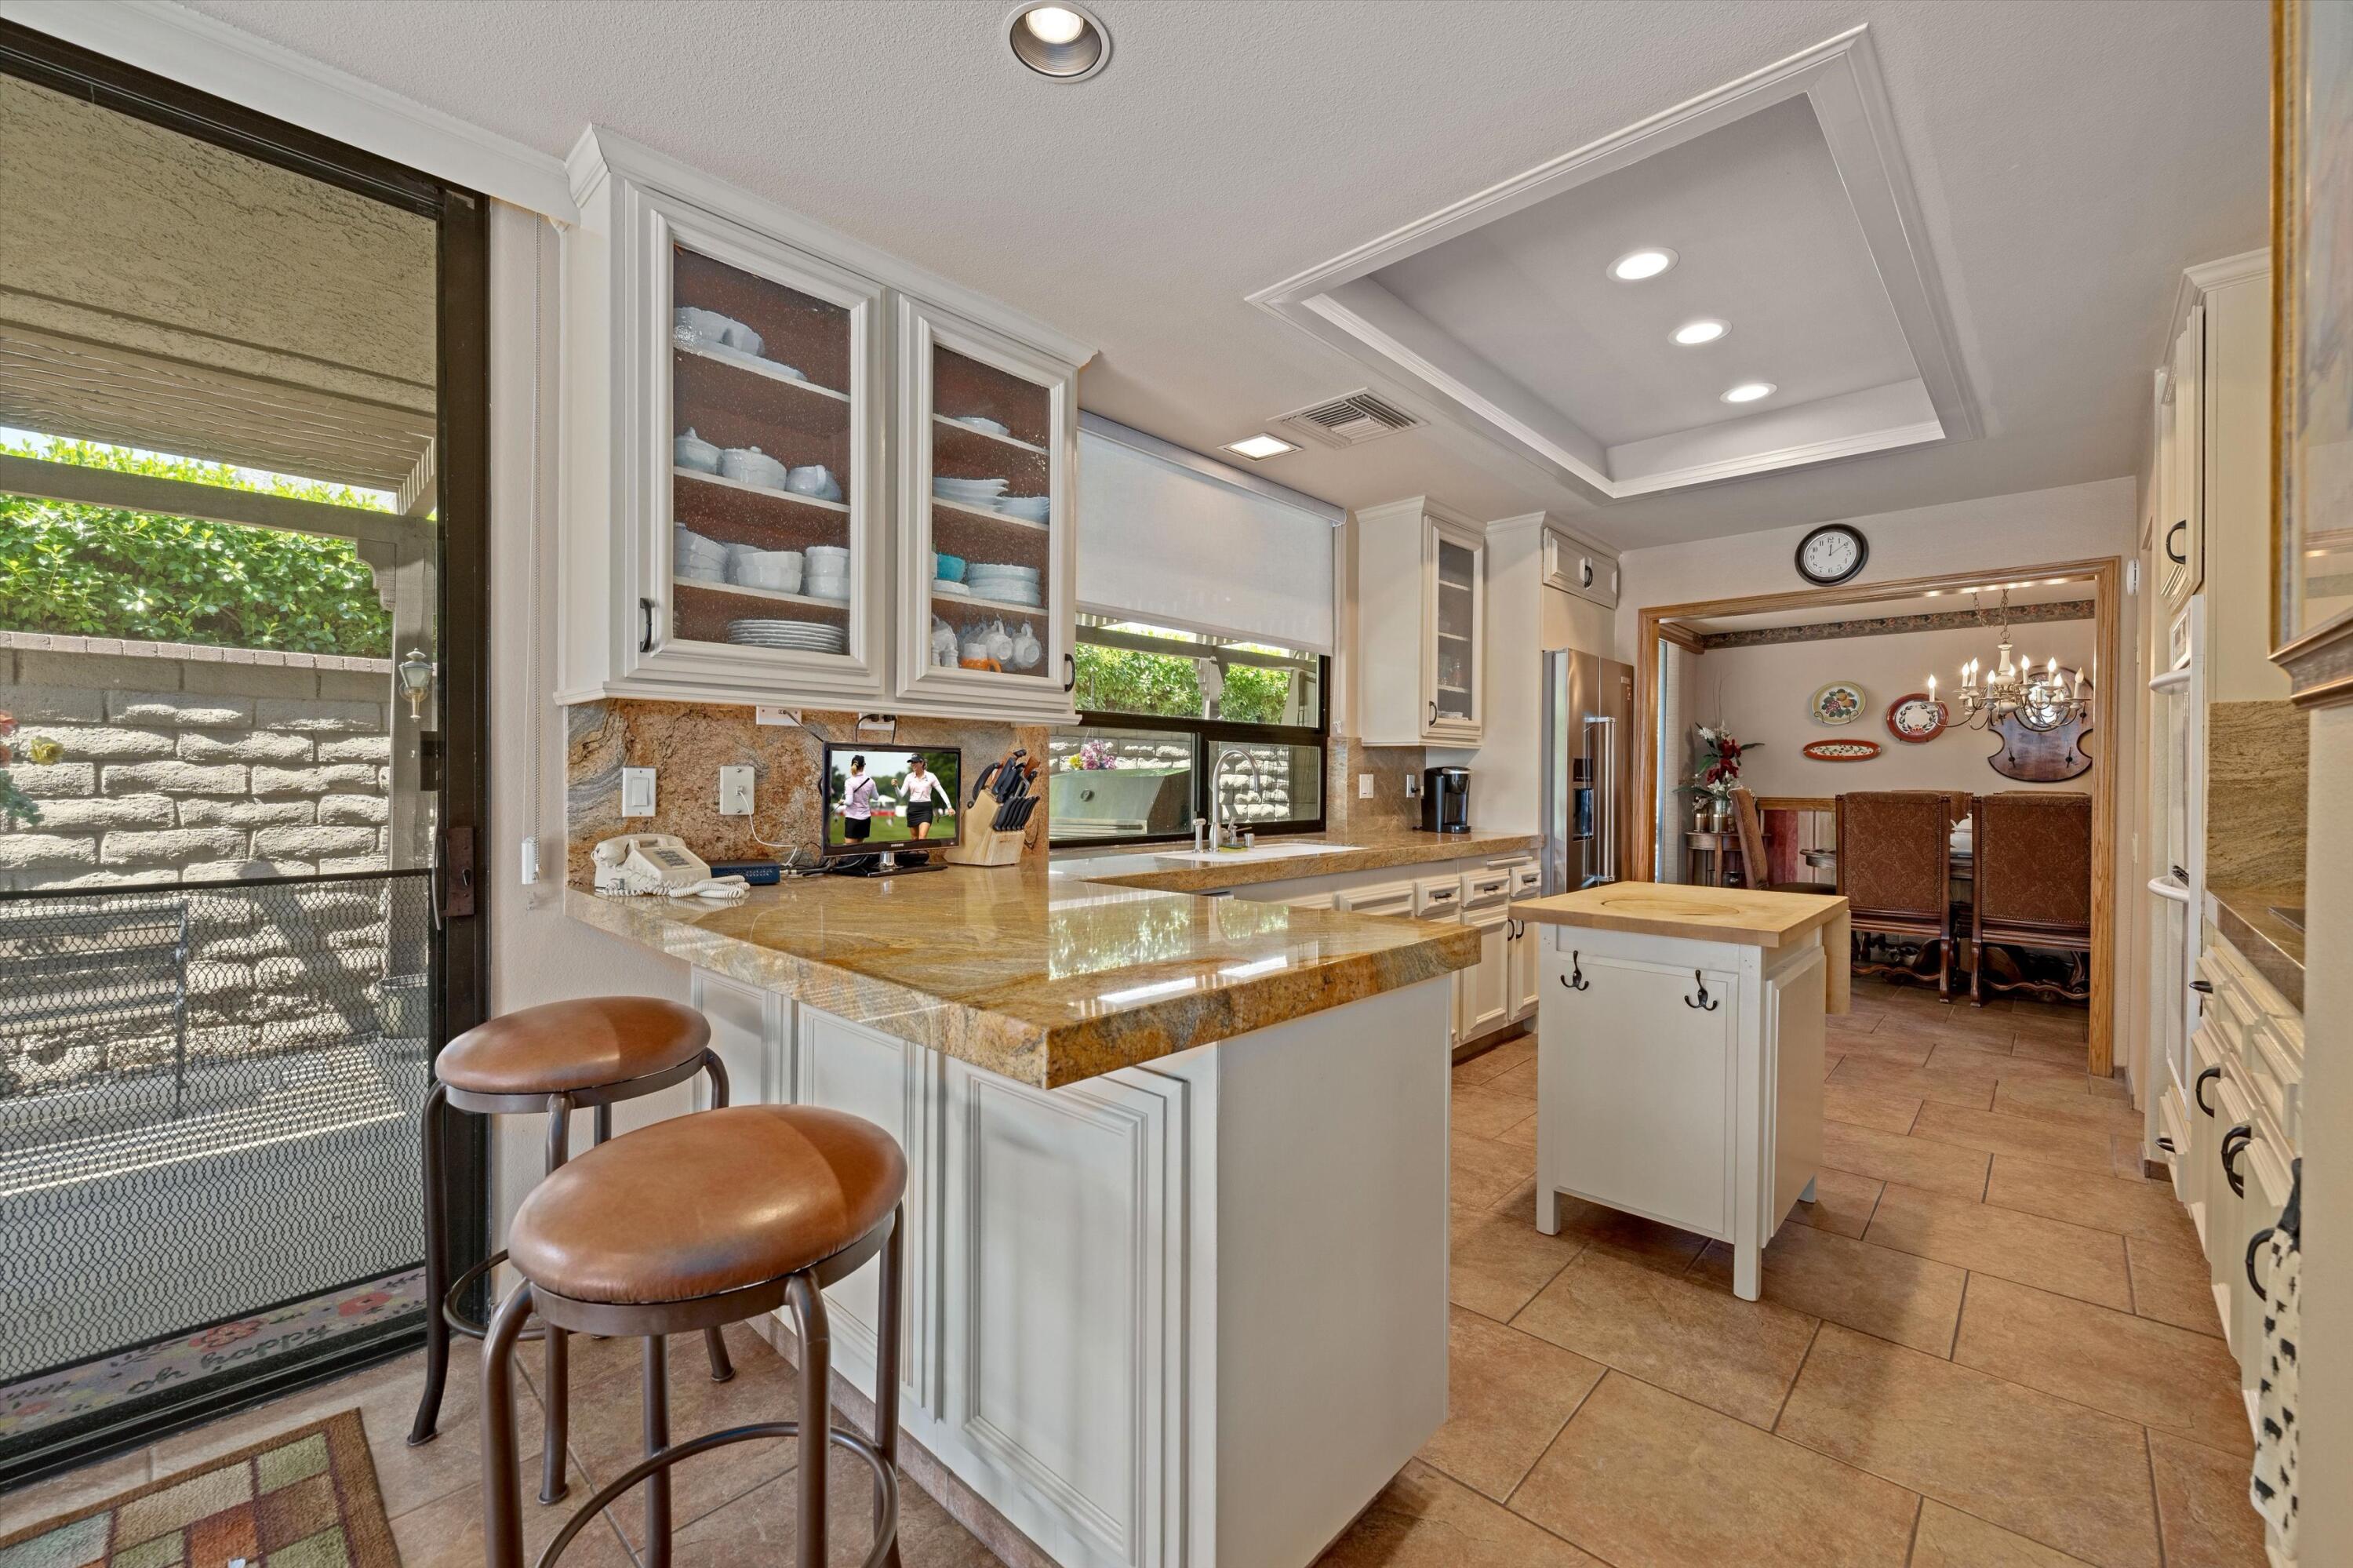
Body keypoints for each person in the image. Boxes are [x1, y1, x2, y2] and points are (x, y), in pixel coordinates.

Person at [900, 755, 955, 839]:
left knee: (922, 837)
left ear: (921, 763)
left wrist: (950, 807)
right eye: (912, 763)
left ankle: (922, 851)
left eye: (915, 762)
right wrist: (896, 786)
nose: (913, 764)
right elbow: (901, 795)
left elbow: (941, 791)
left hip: (926, 809)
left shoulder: (931, 776)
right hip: (913, 809)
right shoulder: (909, 777)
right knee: (914, 839)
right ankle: (918, 853)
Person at [840, 754, 877, 842]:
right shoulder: (871, 781)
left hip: (853, 819)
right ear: (863, 766)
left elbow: (849, 802)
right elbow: (876, 797)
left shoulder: (849, 782)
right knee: (859, 850)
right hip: (865, 819)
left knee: (850, 852)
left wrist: (842, 801)